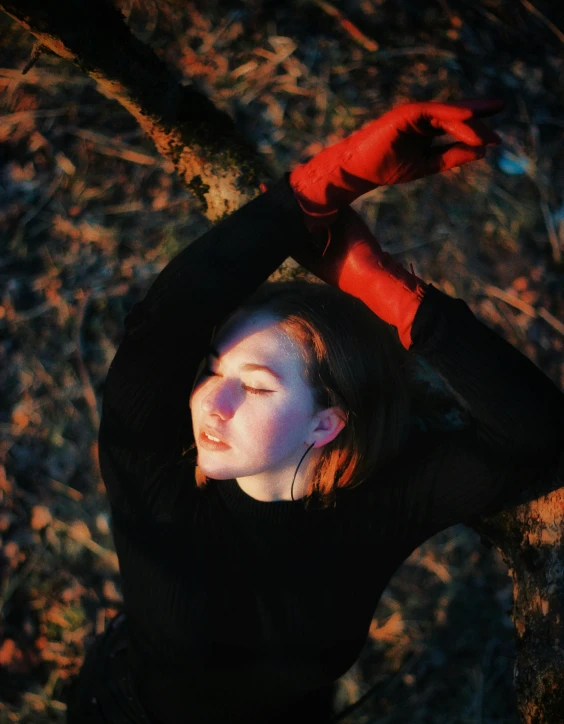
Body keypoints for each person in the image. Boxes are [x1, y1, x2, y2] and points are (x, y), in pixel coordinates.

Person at [65, 99, 564, 724]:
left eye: (258, 385)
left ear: (327, 422)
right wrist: (326, 183)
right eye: (215, 369)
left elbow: (539, 432)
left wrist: (392, 294)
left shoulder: (383, 501)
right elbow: (158, 332)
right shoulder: (156, 483)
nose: (212, 403)